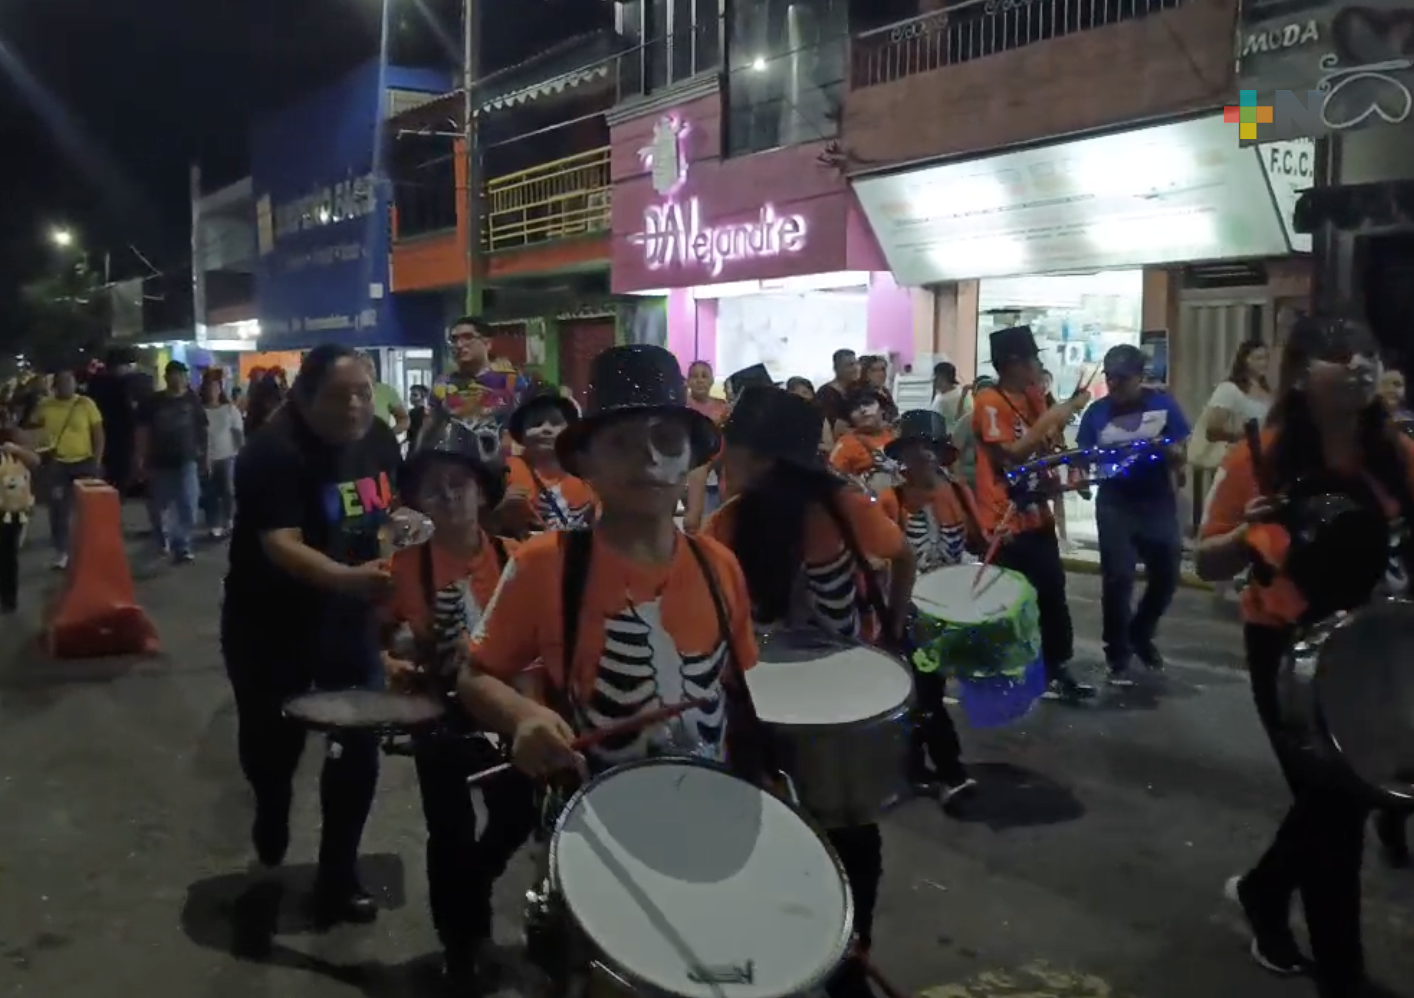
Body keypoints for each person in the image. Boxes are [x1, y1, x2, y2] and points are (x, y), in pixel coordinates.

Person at [1198, 315, 1405, 998]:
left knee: (1336, 800)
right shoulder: (1261, 454)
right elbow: (1207, 559)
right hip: (1287, 649)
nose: (1360, 368)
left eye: (1368, 354)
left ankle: (1264, 890)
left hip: (1372, 649)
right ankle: (1342, 979)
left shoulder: (1394, 455)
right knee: (1336, 813)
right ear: (1301, 374)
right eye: (1342, 357)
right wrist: (1251, 528)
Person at [700, 384, 916, 998]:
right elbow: (902, 559)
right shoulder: (849, 505)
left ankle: (786, 957)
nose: (722, 461)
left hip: (761, 713)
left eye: (730, 449)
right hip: (849, 704)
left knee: (773, 837)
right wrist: (893, 631)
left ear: (761, 457)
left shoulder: (726, 524)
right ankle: (851, 955)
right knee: (853, 834)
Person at [456, 342, 758, 775]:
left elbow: (735, 685)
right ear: (586, 462)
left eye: (668, 441)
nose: (650, 458)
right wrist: (521, 715)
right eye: (622, 443)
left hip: (710, 800)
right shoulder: (544, 564)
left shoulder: (719, 565)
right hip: (590, 806)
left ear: (692, 460)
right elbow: (474, 675)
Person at [222, 344, 404, 924]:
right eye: (339, 394)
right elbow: (281, 543)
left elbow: (387, 511)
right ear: (305, 396)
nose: (355, 405)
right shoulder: (271, 453)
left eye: (363, 390)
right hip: (271, 626)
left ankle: (338, 873)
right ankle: (272, 806)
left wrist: (399, 550)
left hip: (349, 627)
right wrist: (349, 578)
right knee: (271, 750)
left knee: (358, 749)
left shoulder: (377, 436)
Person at [383, 412, 535, 990]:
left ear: (481, 488)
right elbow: (373, 640)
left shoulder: (520, 557)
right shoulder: (402, 567)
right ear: (417, 497)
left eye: (459, 482)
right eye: (433, 486)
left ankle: (471, 887)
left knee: (516, 817)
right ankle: (461, 943)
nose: (447, 495)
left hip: (510, 716)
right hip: (438, 721)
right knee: (447, 833)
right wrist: (389, 662)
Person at [972, 326, 1093, 700]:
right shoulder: (989, 402)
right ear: (1012, 364)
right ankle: (1000, 670)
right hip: (1004, 519)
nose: (1038, 368)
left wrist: (1071, 466)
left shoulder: (1034, 399)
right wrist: (1059, 411)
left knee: (1052, 594)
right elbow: (1013, 453)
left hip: (1037, 516)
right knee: (1008, 601)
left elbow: (1047, 447)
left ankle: (1057, 668)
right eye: (1033, 360)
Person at [875, 409, 980, 801]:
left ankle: (914, 767)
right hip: (909, 611)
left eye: (930, 448)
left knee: (923, 693)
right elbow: (883, 559)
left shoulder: (957, 493)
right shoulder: (891, 499)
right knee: (927, 693)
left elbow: (976, 543)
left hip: (948, 610)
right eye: (915, 450)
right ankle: (952, 772)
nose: (923, 458)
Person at [1075, 344, 1190, 685]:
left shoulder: (1163, 405)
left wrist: (1172, 453)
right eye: (1110, 378)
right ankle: (1118, 653)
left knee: (1168, 572)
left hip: (1156, 499)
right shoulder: (1097, 412)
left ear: (1140, 377)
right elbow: (1082, 455)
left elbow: (1182, 449)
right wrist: (1080, 475)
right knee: (1118, 577)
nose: (1114, 385)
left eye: (1122, 379)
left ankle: (1141, 631)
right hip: (1115, 501)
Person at [1189, 340, 1273, 533]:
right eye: (1258, 358)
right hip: (1234, 458)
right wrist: (1246, 435)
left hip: (1258, 461)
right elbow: (1213, 427)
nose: (1263, 363)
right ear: (1245, 360)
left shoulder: (1265, 391)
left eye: (1266, 358)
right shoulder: (1229, 389)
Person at [137, 361, 207, 564]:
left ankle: (182, 545)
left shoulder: (192, 400)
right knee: (159, 508)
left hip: (187, 461)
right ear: (167, 377)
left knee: (188, 505)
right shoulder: (153, 402)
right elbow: (142, 432)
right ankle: (162, 540)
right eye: (174, 375)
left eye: (182, 375)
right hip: (159, 462)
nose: (178, 379)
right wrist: (140, 458)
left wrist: (204, 457)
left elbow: (202, 429)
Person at [34, 369, 104, 571]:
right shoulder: (44, 406)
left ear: (75, 384)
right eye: (62, 382)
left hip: (84, 462)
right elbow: (34, 431)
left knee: (87, 509)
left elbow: (98, 433)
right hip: (57, 465)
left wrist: (96, 461)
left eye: (70, 381)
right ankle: (62, 551)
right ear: (55, 385)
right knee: (58, 510)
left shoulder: (85, 404)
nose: (66, 385)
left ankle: (90, 548)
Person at [500, 389, 594, 534]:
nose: (546, 429)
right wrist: (501, 510)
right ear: (521, 434)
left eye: (556, 423)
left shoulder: (589, 477)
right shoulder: (502, 474)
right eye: (536, 424)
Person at [432, 315, 529, 428]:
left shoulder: (512, 382)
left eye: (468, 337)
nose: (459, 345)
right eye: (454, 339)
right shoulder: (443, 385)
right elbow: (431, 428)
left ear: (487, 343)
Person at [0, 419, 39, 614]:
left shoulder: (16, 446)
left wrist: (15, 449)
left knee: (8, 555)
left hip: (12, 511)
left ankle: (8, 598)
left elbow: (35, 461)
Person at [830, 388, 899, 495]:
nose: (862, 410)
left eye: (868, 403)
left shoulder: (896, 437)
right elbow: (832, 482)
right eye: (854, 408)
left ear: (882, 409)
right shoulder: (845, 444)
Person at [201, 376, 242, 539]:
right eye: (209, 388)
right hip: (206, 456)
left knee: (227, 490)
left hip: (227, 454)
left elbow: (237, 431)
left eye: (216, 387)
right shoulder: (200, 410)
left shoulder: (229, 409)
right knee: (209, 492)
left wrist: (240, 451)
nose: (212, 391)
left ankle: (229, 519)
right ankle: (213, 524)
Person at [360, 352, 411, 437]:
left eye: (370, 367)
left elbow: (404, 419)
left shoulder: (386, 391)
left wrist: (389, 434)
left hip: (380, 445)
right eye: (362, 367)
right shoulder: (346, 391)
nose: (368, 371)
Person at [816, 348, 862, 435]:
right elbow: (835, 429)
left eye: (857, 364)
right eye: (850, 365)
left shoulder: (857, 390)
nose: (856, 368)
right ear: (836, 368)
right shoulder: (826, 393)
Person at [859, 355, 899, 423]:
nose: (880, 374)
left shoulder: (885, 391)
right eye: (874, 370)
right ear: (866, 373)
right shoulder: (864, 394)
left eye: (883, 369)